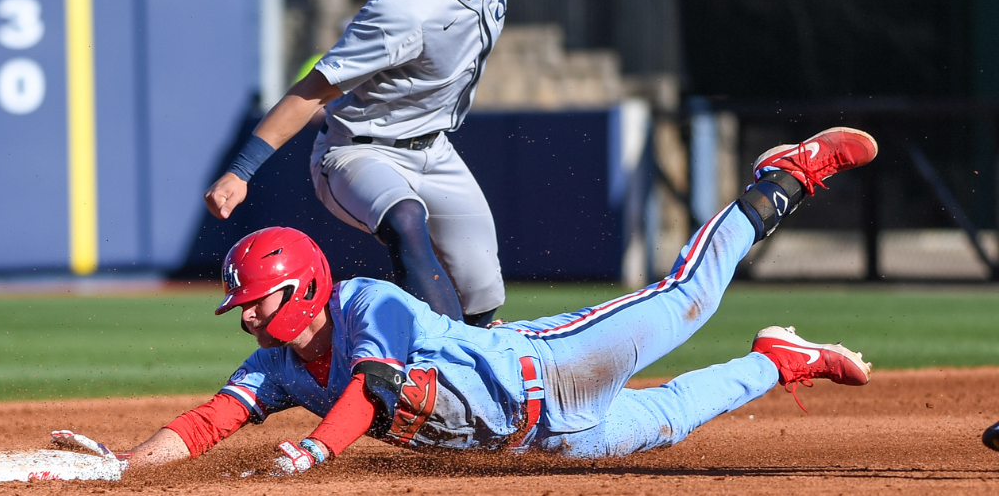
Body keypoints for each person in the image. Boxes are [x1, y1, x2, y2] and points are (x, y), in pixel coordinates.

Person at [126, 127, 878, 470]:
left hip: (557, 367)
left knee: (690, 298)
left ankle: (785, 177)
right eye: (245, 305)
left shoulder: (367, 306)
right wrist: (127, 464)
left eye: (258, 300)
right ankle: (781, 361)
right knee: (675, 418)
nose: (248, 316)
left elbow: (371, 385)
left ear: (301, 287)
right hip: (546, 440)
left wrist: (317, 450)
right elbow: (207, 423)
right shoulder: (277, 367)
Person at [202, 0, 688, 327]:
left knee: (483, 294)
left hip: (434, 149)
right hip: (357, 151)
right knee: (405, 217)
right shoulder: (405, 8)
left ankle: (462, 366)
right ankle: (434, 361)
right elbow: (312, 90)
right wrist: (240, 171)